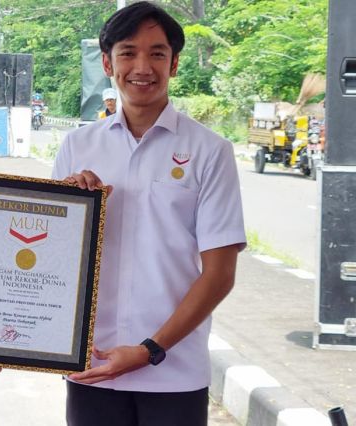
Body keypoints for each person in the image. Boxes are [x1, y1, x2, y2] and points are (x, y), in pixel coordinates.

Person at [52, 3, 246, 425]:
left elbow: (219, 273)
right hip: (92, 364)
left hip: (173, 372)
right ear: (108, 62)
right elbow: (55, 261)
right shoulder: (77, 146)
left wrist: (151, 349)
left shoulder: (210, 151)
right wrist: (67, 213)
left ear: (174, 64)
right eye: (128, 52)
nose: (143, 66)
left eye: (157, 53)